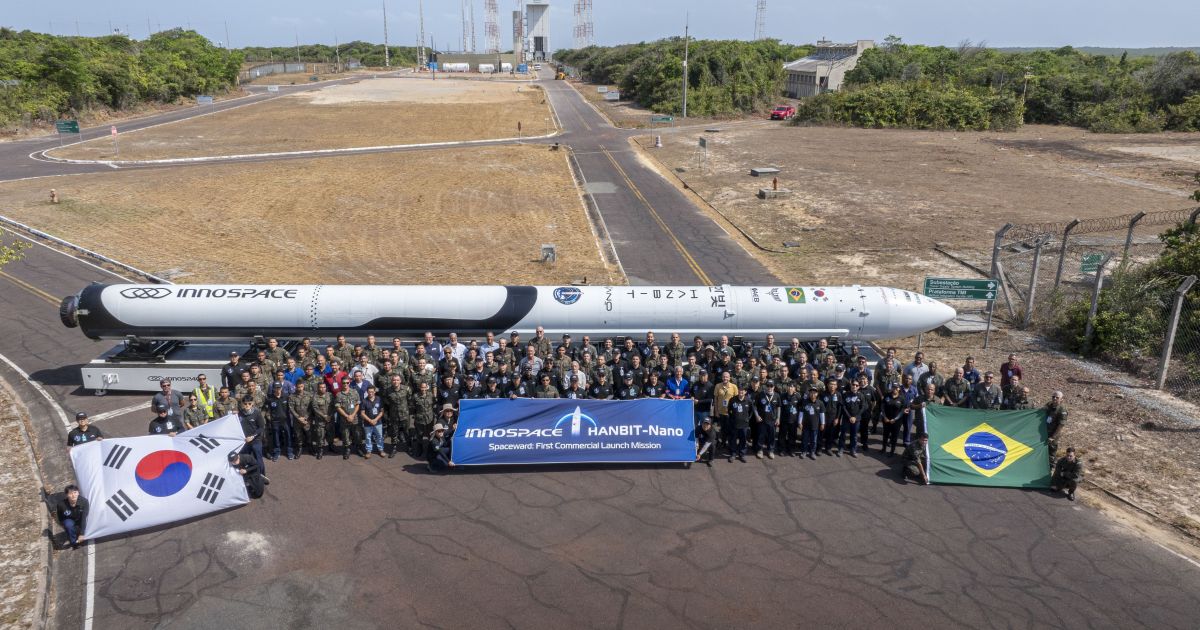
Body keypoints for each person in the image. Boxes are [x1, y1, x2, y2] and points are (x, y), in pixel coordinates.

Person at [238, 397, 267, 476]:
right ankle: (249, 474)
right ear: (242, 404)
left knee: (258, 458)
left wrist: (253, 436)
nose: (247, 405)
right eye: (245, 404)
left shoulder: (257, 413)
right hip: (244, 441)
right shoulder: (239, 413)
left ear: (252, 404)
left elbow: (261, 427)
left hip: (255, 440)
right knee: (244, 458)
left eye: (249, 404)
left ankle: (262, 475)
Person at [55, 485, 89, 549]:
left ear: (78, 492)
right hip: (69, 519)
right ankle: (74, 543)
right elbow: (60, 517)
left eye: (75, 492)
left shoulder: (84, 502)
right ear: (67, 495)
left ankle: (78, 532)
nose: (73, 495)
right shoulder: (61, 505)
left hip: (80, 519)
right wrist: (64, 525)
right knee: (68, 525)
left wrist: (82, 534)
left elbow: (84, 518)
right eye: (70, 493)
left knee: (83, 527)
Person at [265, 383, 293, 461]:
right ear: (273, 388)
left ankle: (289, 451)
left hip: (285, 420)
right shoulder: (270, 398)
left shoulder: (286, 397)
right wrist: (269, 418)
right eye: (276, 388)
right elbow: (267, 410)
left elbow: (291, 408)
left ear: (281, 388)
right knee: (276, 437)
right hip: (275, 421)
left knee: (288, 436)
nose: (278, 389)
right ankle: (277, 452)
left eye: (279, 388)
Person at [753, 380, 781, 459]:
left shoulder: (777, 395)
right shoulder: (760, 395)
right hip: (762, 420)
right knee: (761, 436)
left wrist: (778, 418)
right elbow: (754, 406)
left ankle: (770, 450)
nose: (769, 387)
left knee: (771, 436)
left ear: (774, 387)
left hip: (772, 420)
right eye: (768, 386)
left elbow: (779, 407)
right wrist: (757, 416)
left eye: (771, 386)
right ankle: (760, 450)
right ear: (765, 386)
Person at [1043, 391, 1068, 465]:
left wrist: (1053, 437)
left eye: (1057, 397)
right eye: (1053, 397)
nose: (1054, 398)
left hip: (1052, 436)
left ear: (1061, 399)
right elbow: (1041, 411)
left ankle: (1050, 469)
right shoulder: (1049, 405)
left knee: (1051, 454)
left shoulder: (1062, 410)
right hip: (1044, 433)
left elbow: (1061, 425)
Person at [360, 386, 385, 458]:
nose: (370, 393)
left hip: (378, 422)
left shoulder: (379, 399)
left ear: (375, 392)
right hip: (367, 423)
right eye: (369, 392)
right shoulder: (364, 401)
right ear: (367, 392)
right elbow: (362, 413)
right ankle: (368, 451)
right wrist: (370, 420)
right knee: (368, 437)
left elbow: (382, 412)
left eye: (372, 392)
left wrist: (375, 419)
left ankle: (381, 449)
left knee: (379, 436)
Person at [728, 389, 753, 462]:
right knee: (733, 439)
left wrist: (748, 418)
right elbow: (729, 410)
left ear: (745, 392)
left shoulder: (748, 400)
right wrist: (732, 419)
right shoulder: (732, 400)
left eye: (742, 391)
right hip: (734, 424)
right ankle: (733, 454)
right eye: (739, 391)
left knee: (743, 440)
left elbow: (751, 411)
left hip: (744, 424)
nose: (740, 393)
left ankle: (742, 454)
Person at [799, 388, 824, 459]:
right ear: (809, 393)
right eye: (811, 392)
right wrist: (800, 422)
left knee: (814, 440)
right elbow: (801, 413)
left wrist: (822, 423)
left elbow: (822, 414)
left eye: (814, 393)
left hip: (815, 425)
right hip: (806, 425)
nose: (813, 394)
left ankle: (812, 452)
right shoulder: (805, 402)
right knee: (805, 439)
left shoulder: (820, 403)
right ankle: (804, 451)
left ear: (817, 394)